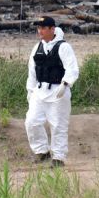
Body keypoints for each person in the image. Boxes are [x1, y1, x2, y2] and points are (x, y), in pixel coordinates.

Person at [25, 16, 79, 168]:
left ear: (52, 29)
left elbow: (72, 68)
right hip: (39, 91)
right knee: (32, 121)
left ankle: (58, 158)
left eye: (43, 28)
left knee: (58, 125)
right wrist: (30, 90)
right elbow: (32, 71)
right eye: (38, 28)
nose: (40, 31)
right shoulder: (37, 47)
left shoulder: (63, 47)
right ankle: (42, 151)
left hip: (58, 92)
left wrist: (66, 83)